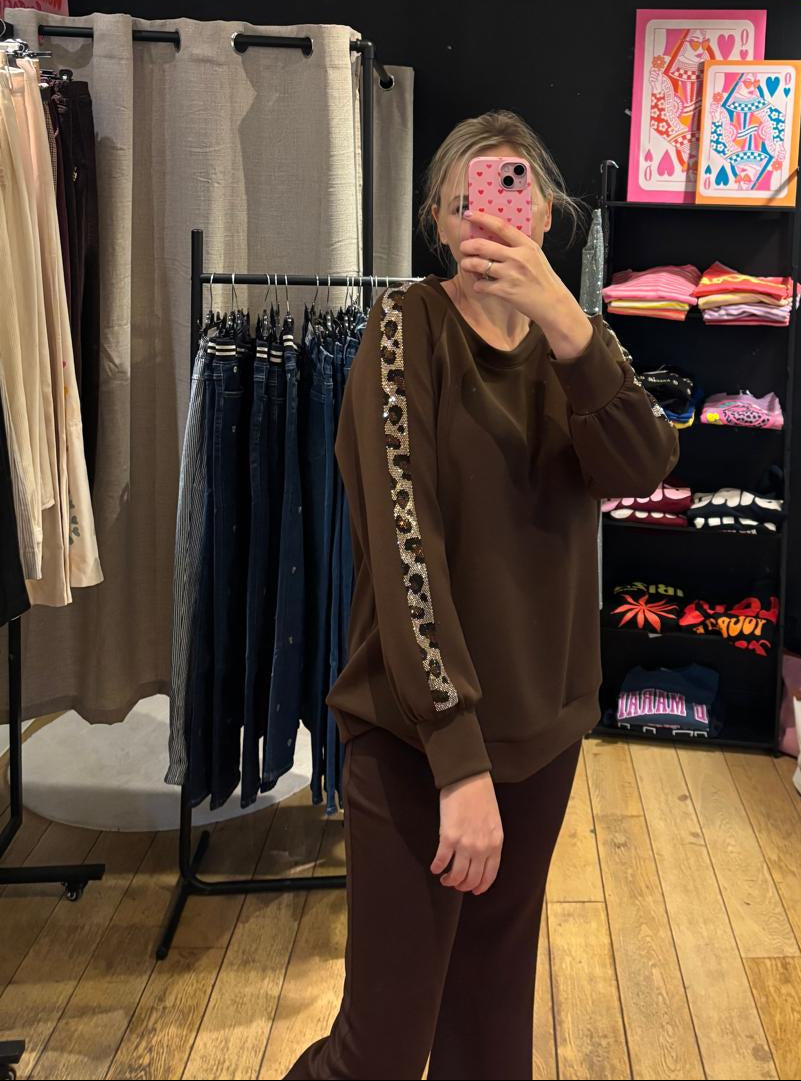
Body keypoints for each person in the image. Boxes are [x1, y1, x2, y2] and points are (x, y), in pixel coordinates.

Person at [285, 110, 678, 1081]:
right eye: (467, 198)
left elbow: (642, 464)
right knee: (381, 1048)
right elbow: (402, 549)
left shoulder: (576, 349)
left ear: (544, 213)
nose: (490, 214)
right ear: (438, 220)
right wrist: (458, 762)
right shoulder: (403, 329)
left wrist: (568, 324)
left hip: (542, 733)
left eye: (511, 191)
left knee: (490, 1031)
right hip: (415, 738)